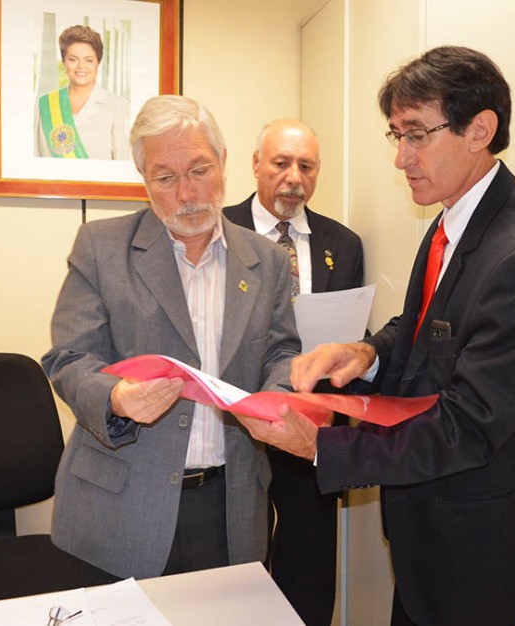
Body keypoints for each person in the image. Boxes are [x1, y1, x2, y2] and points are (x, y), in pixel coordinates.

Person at [235, 46, 515, 626]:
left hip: (478, 541)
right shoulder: (452, 218)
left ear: (481, 130)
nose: (401, 158)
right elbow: (421, 331)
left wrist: (320, 446)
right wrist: (365, 352)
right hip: (429, 527)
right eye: (396, 134)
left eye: (417, 135)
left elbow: (468, 422)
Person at [41, 95, 301, 579]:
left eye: (200, 170)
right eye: (166, 177)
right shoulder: (101, 247)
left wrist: (276, 395)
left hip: (229, 502)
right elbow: (68, 357)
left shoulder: (265, 261)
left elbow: (282, 348)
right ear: (145, 181)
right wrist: (115, 397)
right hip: (121, 502)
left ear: (223, 164)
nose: (187, 194)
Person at [223, 118, 364, 626]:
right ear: (256, 163)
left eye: (306, 166)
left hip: (313, 428)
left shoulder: (343, 244)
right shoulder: (218, 231)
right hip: (238, 423)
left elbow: (347, 336)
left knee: (308, 562)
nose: (293, 177)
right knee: (238, 563)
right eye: (281, 163)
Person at [34, 25, 130, 160]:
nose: (81, 66)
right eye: (73, 59)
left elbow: (123, 162)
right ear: (63, 62)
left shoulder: (117, 106)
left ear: (98, 63)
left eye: (89, 60)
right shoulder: (44, 104)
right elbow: (35, 157)